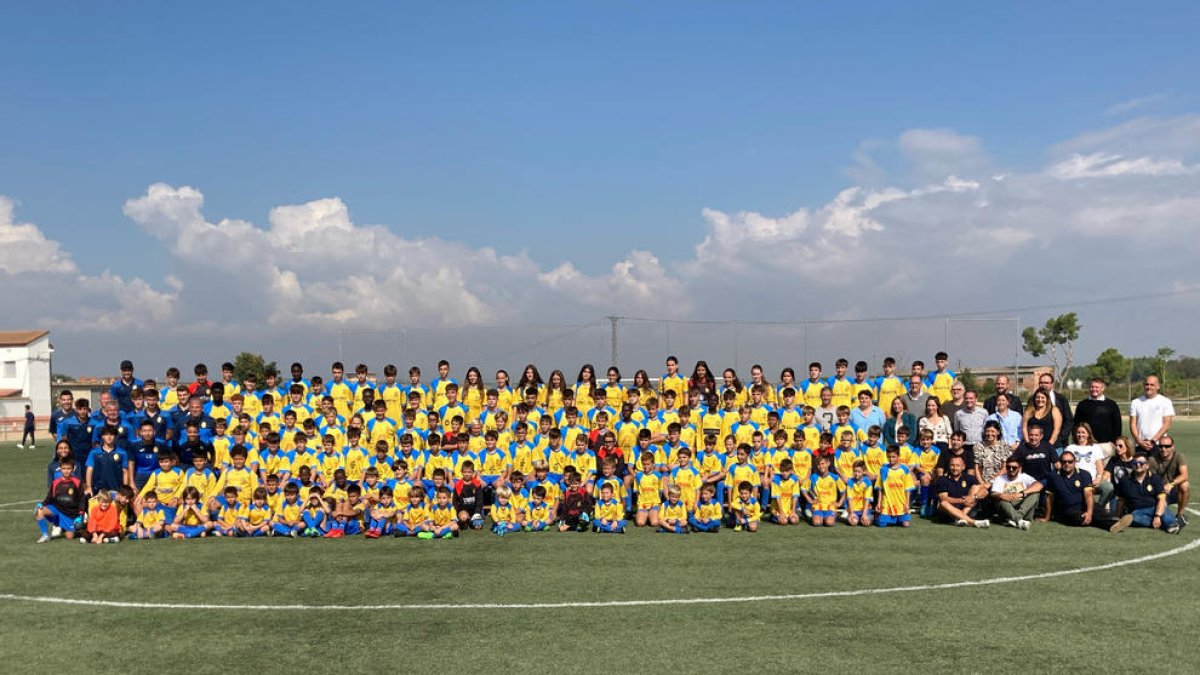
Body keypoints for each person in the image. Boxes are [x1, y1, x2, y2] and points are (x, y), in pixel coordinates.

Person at [1041, 450, 1117, 530]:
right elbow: (1050, 498)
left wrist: (1089, 512)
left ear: (1074, 462)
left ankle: (1114, 524)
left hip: (1082, 505)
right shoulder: (1053, 476)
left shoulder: (1084, 474)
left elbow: (1088, 495)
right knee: (1079, 517)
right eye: (1064, 462)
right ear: (1060, 462)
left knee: (1097, 510)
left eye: (1070, 462)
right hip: (1067, 509)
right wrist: (1047, 517)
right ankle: (1110, 525)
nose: (1067, 464)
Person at [1111, 454, 1180, 534]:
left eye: (1141, 463)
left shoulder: (1155, 479)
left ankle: (1171, 525)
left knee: (1163, 511)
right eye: (1135, 463)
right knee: (1133, 518)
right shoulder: (1125, 481)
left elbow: (1161, 499)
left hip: (1154, 508)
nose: (1138, 465)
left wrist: (1157, 516)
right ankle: (1169, 525)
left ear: (1147, 465)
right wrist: (1117, 516)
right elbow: (1120, 500)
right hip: (1136, 511)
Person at [35, 458, 85, 543]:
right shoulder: (55, 483)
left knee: (70, 536)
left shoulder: (77, 483)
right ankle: (45, 535)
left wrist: (80, 515)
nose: (66, 471)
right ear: (60, 469)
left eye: (68, 468)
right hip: (57, 509)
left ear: (73, 469)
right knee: (39, 510)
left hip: (70, 513)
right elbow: (49, 498)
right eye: (64, 468)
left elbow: (81, 499)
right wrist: (42, 504)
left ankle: (79, 527)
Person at [933, 455, 990, 528]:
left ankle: (960, 518)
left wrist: (974, 497)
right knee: (943, 503)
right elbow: (944, 498)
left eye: (957, 465)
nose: (955, 468)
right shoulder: (942, 479)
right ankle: (974, 522)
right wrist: (962, 501)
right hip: (948, 512)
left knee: (975, 490)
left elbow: (985, 491)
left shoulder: (970, 478)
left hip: (966, 509)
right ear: (949, 466)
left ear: (963, 467)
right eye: (952, 465)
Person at [989, 457, 1042, 530]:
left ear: (1019, 468)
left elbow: (1039, 485)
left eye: (1014, 467)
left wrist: (1021, 494)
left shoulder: (1024, 477)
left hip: (1023, 506)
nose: (1011, 469)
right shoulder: (1000, 479)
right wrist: (1002, 495)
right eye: (1008, 467)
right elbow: (993, 494)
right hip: (1008, 504)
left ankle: (1016, 518)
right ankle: (1019, 520)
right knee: (1000, 499)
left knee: (1035, 493)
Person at [1147, 435, 1189, 526]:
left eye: (1167, 446)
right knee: (1161, 511)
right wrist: (1160, 490)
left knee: (1185, 485)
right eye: (1161, 446)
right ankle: (1170, 522)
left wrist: (1171, 484)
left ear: (1172, 447)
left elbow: (1185, 475)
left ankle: (1180, 514)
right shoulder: (1152, 459)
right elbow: (1150, 479)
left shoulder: (1179, 456)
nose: (1163, 449)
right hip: (1160, 491)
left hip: (1174, 489)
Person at [1073, 378, 1122, 450]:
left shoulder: (1111, 404)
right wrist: (1077, 441)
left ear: (1103, 388)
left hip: (1106, 445)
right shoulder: (1082, 404)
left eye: (1097, 387)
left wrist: (1114, 442)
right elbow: (1076, 424)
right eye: (1092, 387)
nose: (1094, 389)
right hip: (1087, 445)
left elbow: (1117, 425)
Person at [1130, 375, 1174, 455]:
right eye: (1147, 384)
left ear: (1158, 386)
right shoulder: (1135, 402)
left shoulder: (1166, 402)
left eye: (1152, 385)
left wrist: (1153, 440)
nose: (1149, 387)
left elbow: (1167, 424)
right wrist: (1139, 441)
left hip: (1158, 445)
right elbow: (1132, 423)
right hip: (1140, 445)